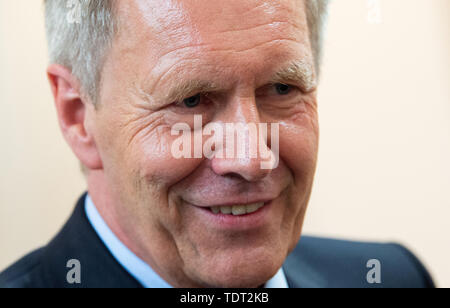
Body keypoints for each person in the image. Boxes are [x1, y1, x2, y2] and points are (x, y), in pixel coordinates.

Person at [0, 0, 434, 288]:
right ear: (77, 115)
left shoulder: (393, 278)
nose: (250, 157)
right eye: (190, 100)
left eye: (282, 89)